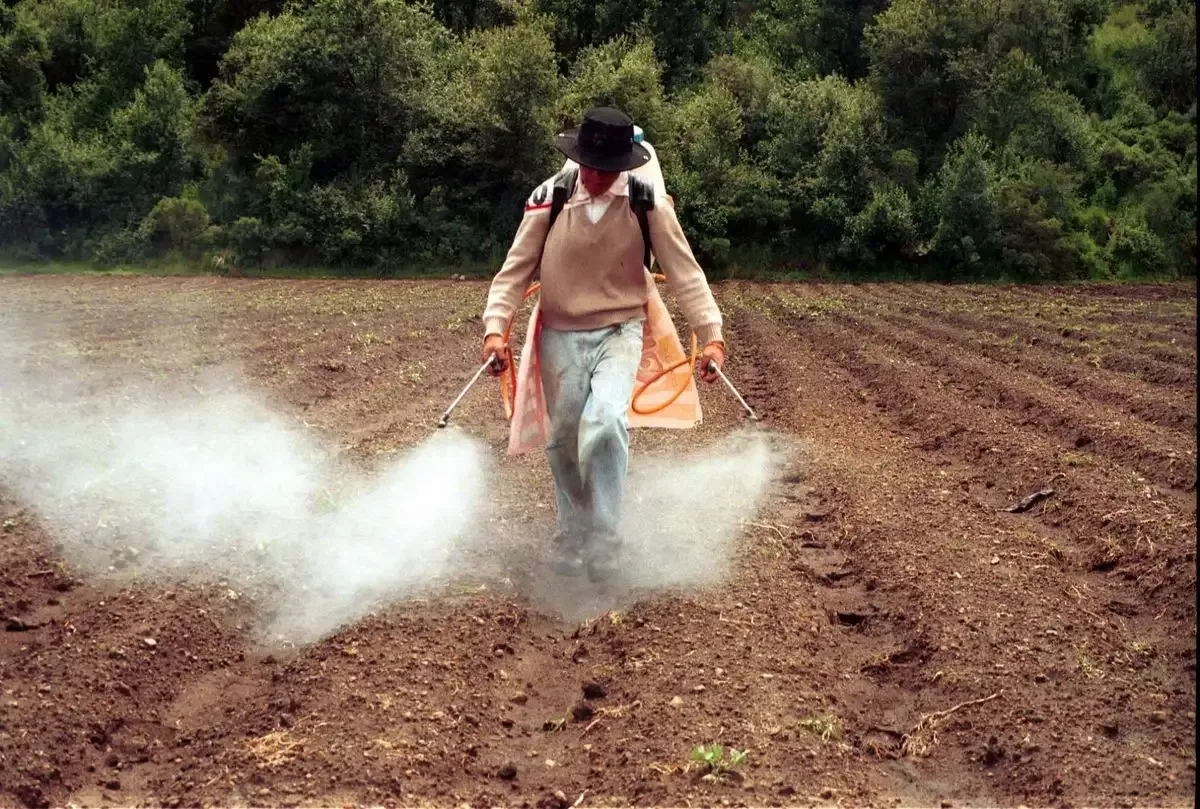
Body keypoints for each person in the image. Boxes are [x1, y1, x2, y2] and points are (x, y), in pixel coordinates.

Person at [480, 106, 726, 582]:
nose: (595, 177)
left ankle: (605, 541)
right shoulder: (550, 198)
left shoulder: (646, 201)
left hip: (620, 329)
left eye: (605, 169)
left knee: (607, 420)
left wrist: (711, 335)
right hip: (560, 331)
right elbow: (515, 270)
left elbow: (684, 270)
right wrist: (495, 329)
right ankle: (573, 535)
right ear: (577, 159)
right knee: (562, 441)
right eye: (588, 167)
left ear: (623, 165)